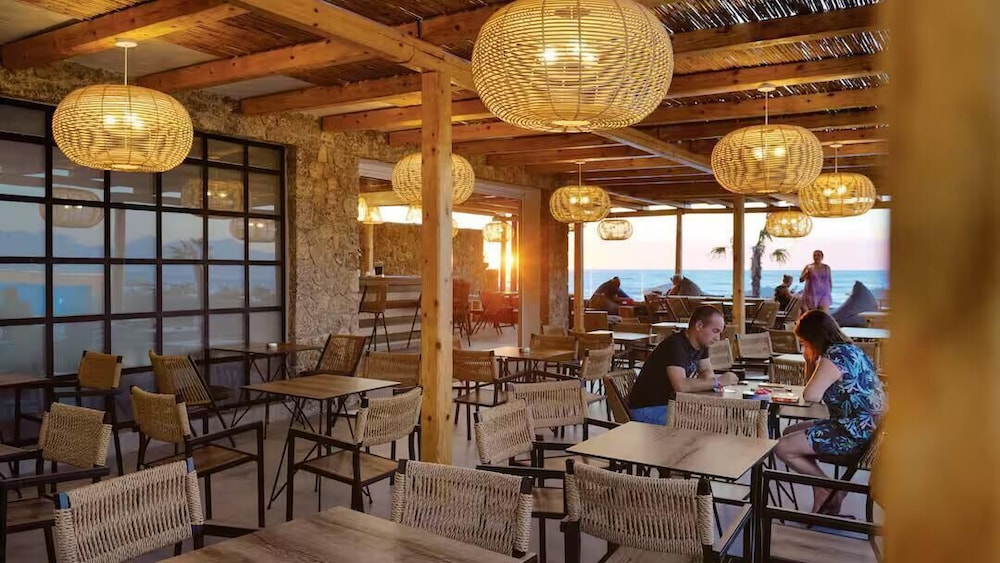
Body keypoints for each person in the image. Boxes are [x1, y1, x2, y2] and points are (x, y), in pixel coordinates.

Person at [775, 310, 886, 515]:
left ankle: (830, 490)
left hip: (854, 434)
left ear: (813, 338)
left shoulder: (835, 356)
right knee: (790, 432)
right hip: (868, 429)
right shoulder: (851, 350)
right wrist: (810, 362)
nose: (804, 347)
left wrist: (811, 361)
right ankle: (823, 489)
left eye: (804, 342)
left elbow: (811, 395)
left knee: (782, 447)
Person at [627, 305, 740, 424]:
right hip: (648, 409)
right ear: (699, 326)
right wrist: (718, 381)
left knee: (723, 418)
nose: (718, 338)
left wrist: (713, 381)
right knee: (709, 423)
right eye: (715, 331)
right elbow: (680, 385)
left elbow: (706, 372)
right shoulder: (675, 345)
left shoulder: (702, 345)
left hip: (672, 405)